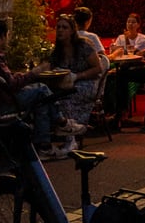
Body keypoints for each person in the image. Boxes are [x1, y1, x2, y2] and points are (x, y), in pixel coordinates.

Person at [0, 18, 78, 159]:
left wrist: (17, 75)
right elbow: (12, 85)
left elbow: (2, 79)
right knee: (42, 89)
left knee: (42, 101)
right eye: (7, 35)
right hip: (4, 105)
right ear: (3, 36)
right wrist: (34, 73)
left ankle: (45, 146)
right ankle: (62, 123)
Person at [44, 12, 103, 144]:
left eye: (64, 27)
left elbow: (97, 68)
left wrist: (77, 76)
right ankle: (50, 139)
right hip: (66, 84)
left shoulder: (83, 46)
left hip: (87, 82)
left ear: (72, 31)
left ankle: (70, 139)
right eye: (58, 27)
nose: (60, 30)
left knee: (66, 98)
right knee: (49, 97)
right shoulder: (56, 51)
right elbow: (51, 69)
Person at [73, 6, 110, 74]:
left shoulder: (69, 36)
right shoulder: (92, 37)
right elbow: (104, 58)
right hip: (90, 74)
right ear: (88, 22)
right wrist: (115, 54)